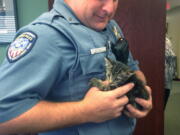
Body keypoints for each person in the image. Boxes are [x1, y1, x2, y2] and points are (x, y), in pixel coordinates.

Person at [0, 0, 152, 135]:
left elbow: (131, 67)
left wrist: (141, 91)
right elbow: (4, 117)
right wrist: (85, 111)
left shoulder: (111, 26)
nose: (110, 9)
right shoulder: (46, 36)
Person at [164, 36, 176, 109]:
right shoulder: (165, 40)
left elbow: (171, 57)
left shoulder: (166, 40)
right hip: (164, 77)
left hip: (167, 76)